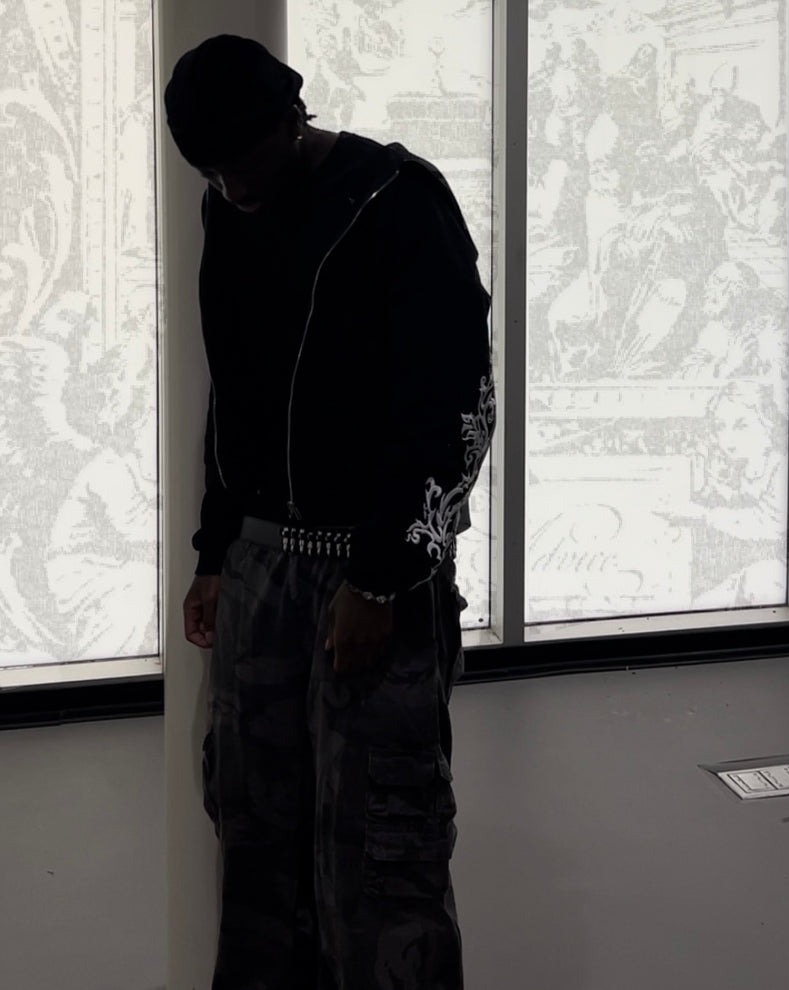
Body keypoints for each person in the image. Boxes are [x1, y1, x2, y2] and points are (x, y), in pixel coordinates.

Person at [164, 34, 495, 990]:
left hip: (370, 574)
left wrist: (382, 578)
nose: (233, 188)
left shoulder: (396, 200)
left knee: (381, 855)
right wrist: (215, 550)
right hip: (259, 566)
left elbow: (457, 404)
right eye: (212, 171)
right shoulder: (227, 204)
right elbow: (236, 393)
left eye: (244, 163)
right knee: (255, 840)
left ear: (292, 119)